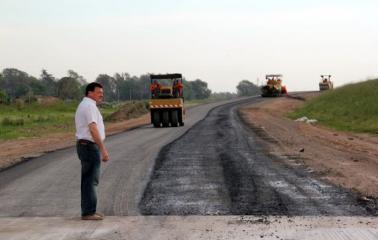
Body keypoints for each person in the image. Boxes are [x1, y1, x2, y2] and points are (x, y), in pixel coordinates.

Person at [75, 82, 109, 220]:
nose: (101, 94)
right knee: (90, 180)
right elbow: (93, 128)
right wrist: (103, 149)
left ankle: (88, 211)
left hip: (85, 145)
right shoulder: (89, 106)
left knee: (87, 180)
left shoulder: (86, 105)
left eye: (102, 92)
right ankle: (89, 212)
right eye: (98, 92)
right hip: (89, 146)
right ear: (90, 93)